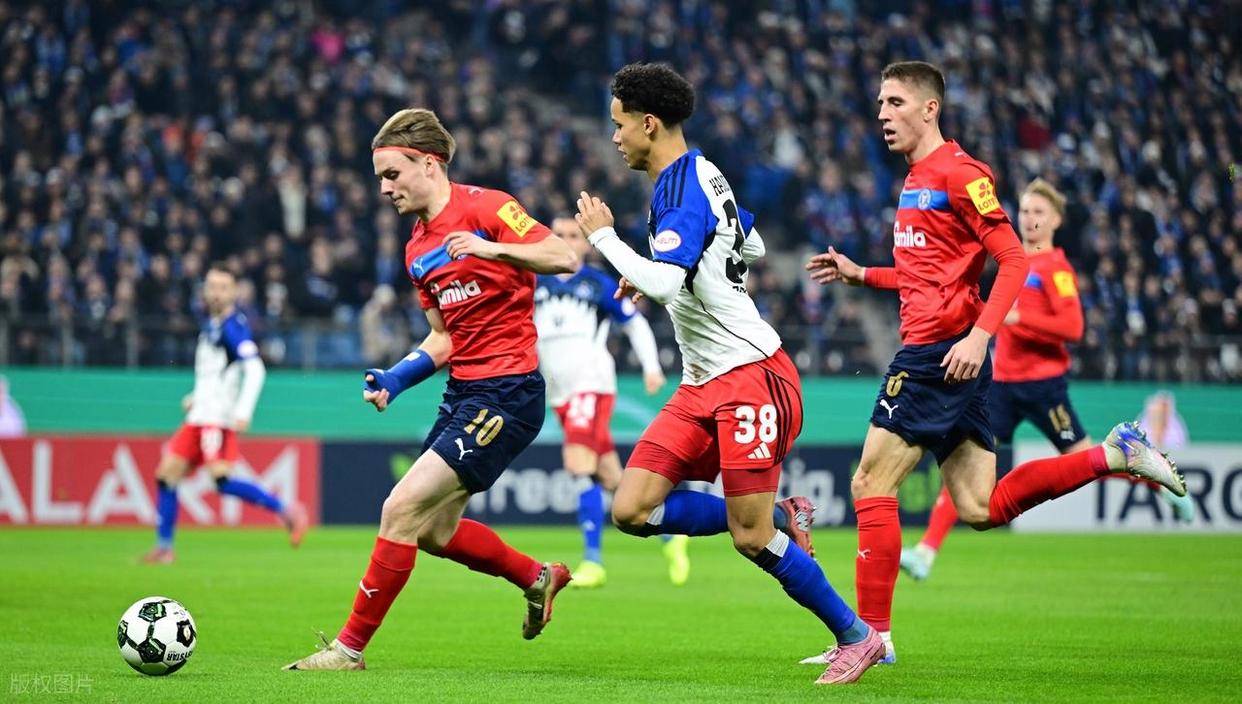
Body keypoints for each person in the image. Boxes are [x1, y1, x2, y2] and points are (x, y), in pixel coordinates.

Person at [803, 61, 1186, 667]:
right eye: (879, 103)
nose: (882, 113)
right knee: (980, 507)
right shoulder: (914, 179)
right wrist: (863, 274)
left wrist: (981, 336)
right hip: (951, 353)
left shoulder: (961, 173)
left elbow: (1013, 260)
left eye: (895, 102)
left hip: (938, 353)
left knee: (869, 483)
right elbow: (925, 275)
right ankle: (1114, 454)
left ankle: (871, 637)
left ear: (930, 108)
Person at [575, 62, 871, 686]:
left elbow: (668, 280)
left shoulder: (681, 189)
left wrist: (606, 241)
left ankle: (857, 636)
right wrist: (680, 269)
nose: (615, 136)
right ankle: (786, 516)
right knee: (631, 508)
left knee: (750, 537)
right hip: (701, 381)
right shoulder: (702, 173)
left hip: (750, 375)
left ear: (649, 124)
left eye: (619, 124)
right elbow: (748, 246)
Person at [285, 108, 578, 671]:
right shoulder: (417, 250)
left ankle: (348, 650)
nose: (384, 188)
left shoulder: (489, 208)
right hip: (463, 393)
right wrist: (396, 378)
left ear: (429, 164)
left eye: (392, 174)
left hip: (508, 392)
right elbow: (443, 338)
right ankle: (537, 577)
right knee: (433, 532)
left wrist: (491, 249)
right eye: (380, 178)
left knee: (398, 509)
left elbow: (561, 256)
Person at [898, 179, 1197, 582]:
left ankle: (1157, 481)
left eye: (1039, 212)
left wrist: (1020, 318)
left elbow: (1073, 327)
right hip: (1001, 385)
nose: (1029, 219)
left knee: (1089, 458)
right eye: (1024, 211)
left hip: (1044, 388)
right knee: (964, 462)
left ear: (1056, 220)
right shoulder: (1011, 262)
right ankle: (926, 551)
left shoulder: (1057, 270)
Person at [533, 217, 688, 588]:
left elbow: (634, 322)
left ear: (585, 244)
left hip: (591, 383)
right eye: (559, 235)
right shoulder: (535, 283)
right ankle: (671, 536)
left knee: (578, 464)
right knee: (610, 477)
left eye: (574, 235)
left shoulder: (597, 284)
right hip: (559, 392)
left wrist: (651, 367)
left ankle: (593, 562)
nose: (566, 240)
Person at [142, 264, 306, 564]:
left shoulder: (233, 327)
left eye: (223, 287)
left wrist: (243, 410)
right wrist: (196, 397)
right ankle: (164, 548)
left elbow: (255, 369)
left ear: (234, 293)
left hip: (216, 419)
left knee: (221, 480)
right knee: (166, 475)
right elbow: (216, 373)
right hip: (199, 416)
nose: (216, 293)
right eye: (212, 287)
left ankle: (286, 510)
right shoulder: (212, 324)